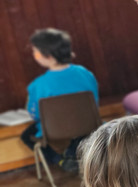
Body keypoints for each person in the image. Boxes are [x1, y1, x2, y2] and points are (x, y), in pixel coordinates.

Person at [19, 28, 98, 171]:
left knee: (26, 135)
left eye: (35, 52)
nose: (34, 55)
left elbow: (35, 115)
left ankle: (61, 160)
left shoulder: (37, 85)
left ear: (48, 55)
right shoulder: (85, 73)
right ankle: (75, 152)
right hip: (88, 125)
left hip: (55, 132)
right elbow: (94, 102)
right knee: (76, 133)